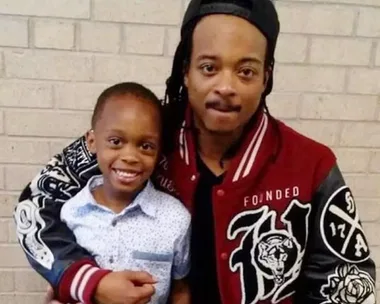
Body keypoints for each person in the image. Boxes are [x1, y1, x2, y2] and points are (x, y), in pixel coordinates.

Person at [14, 0, 376, 304]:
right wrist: (82, 279)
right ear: (185, 70)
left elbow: (349, 280)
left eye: (246, 71)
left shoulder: (311, 164)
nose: (226, 86)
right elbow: (35, 205)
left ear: (267, 77)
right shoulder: (142, 134)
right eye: (208, 67)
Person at [56, 82, 190, 304]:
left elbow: (181, 289)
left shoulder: (176, 218)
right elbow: (60, 283)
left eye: (146, 146)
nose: (130, 156)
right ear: (92, 142)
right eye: (116, 142)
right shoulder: (70, 213)